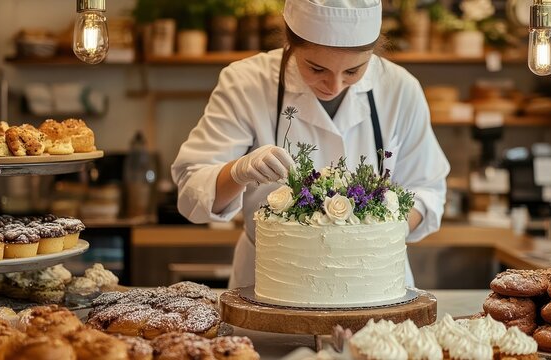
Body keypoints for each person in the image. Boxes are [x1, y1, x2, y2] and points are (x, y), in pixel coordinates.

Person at [171, 0, 450, 289]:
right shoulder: (246, 83)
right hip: (270, 287)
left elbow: (428, 190)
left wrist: (375, 238)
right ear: (290, 44)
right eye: (317, 69)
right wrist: (237, 172)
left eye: (353, 71)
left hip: (373, 285)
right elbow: (192, 192)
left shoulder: (400, 88)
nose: (335, 85)